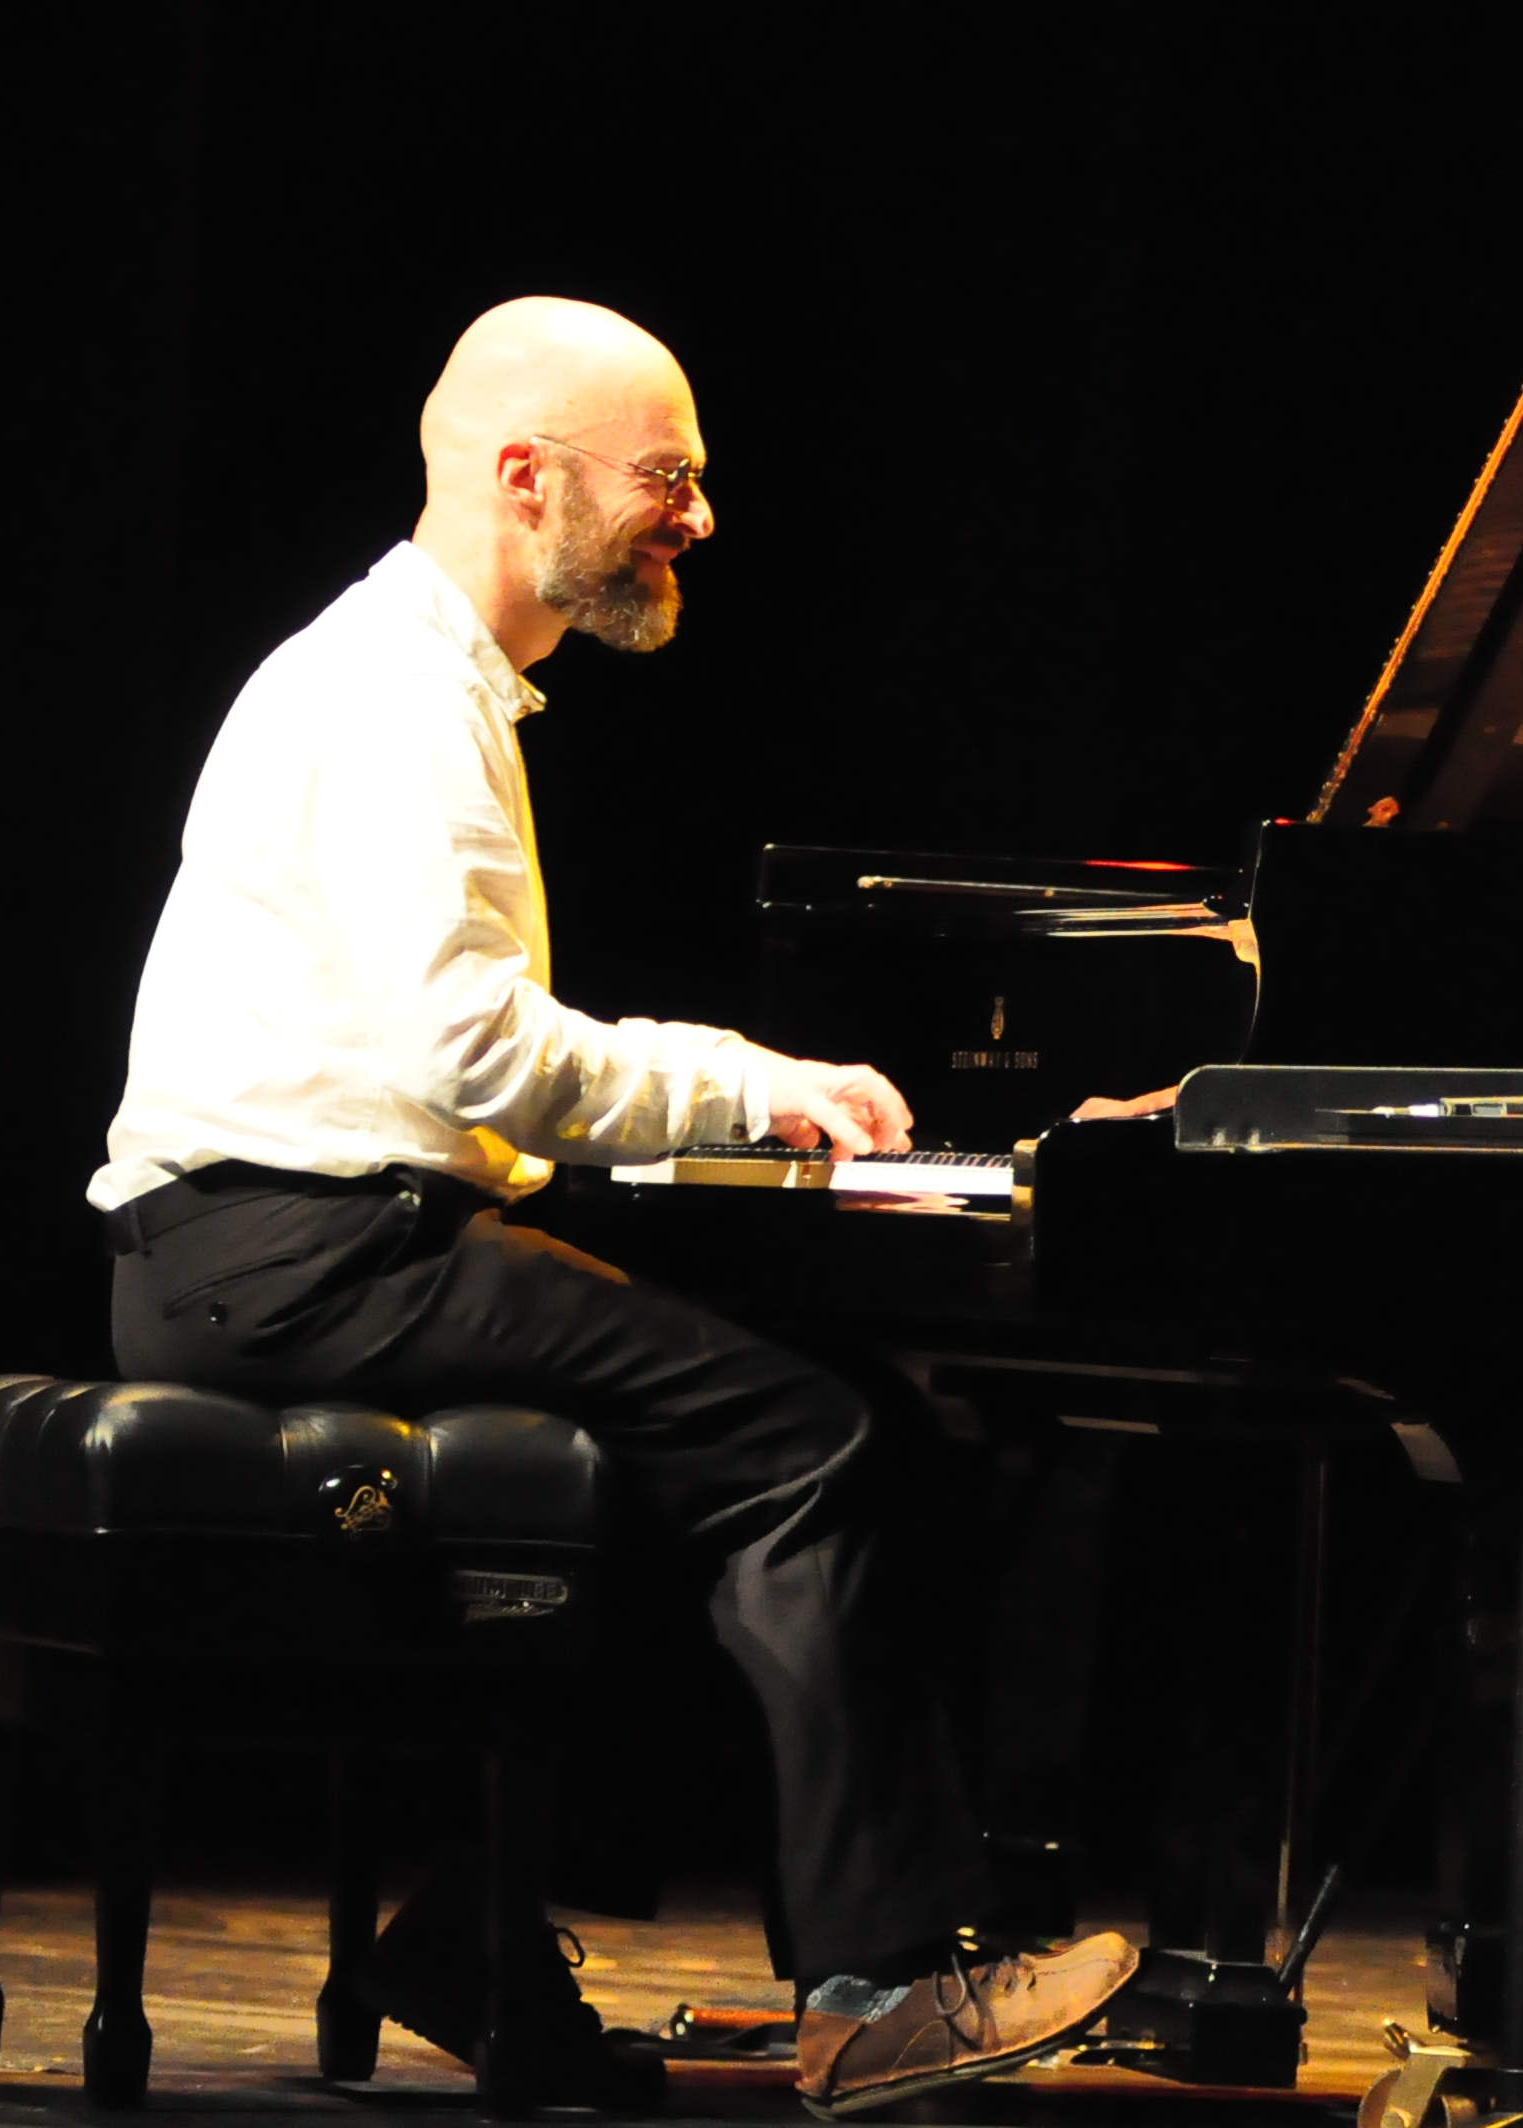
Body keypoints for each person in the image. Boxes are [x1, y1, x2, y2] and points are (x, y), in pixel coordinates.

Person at [94, 297, 1142, 2119]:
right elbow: (473, 1054)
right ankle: (878, 1988)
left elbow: (458, 1062)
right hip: (294, 1259)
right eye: (670, 476)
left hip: (280, 1254)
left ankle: (475, 1936)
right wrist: (751, 1084)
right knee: (822, 1443)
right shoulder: (394, 696)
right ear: (527, 478)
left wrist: (714, 1109)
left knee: (720, 1467)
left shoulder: (412, 681)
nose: (700, 517)